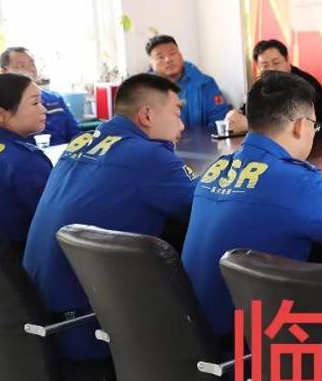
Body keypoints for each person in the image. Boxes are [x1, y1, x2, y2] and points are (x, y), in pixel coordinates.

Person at [24, 70, 197, 366]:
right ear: (147, 115)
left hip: (38, 318)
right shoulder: (148, 157)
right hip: (85, 326)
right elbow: (208, 209)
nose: (182, 125)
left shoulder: (80, 143)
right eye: (177, 113)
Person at [182, 70, 322, 341]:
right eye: (314, 126)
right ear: (300, 126)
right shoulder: (297, 181)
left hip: (190, 331)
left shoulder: (217, 168)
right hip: (250, 342)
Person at [225, 39, 322, 139]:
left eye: (276, 63)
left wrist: (249, 125)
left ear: (287, 59)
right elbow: (249, 110)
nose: (272, 69)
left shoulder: (303, 85)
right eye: (265, 65)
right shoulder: (264, 84)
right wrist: (234, 116)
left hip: (319, 136)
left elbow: (294, 125)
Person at [0, 72, 53, 250]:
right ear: (0, 114)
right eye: (35, 103)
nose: (43, 109)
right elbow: (54, 218)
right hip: (22, 257)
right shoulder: (26, 161)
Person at [145, 33, 233, 130]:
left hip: (204, 140)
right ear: (151, 64)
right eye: (160, 57)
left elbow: (220, 122)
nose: (168, 60)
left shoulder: (205, 84)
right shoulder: (143, 91)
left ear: (181, 55)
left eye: (172, 53)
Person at [0, 47, 78, 144]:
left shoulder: (55, 98)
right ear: (4, 72)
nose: (30, 69)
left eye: (32, 63)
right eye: (21, 66)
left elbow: (75, 133)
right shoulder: (3, 104)